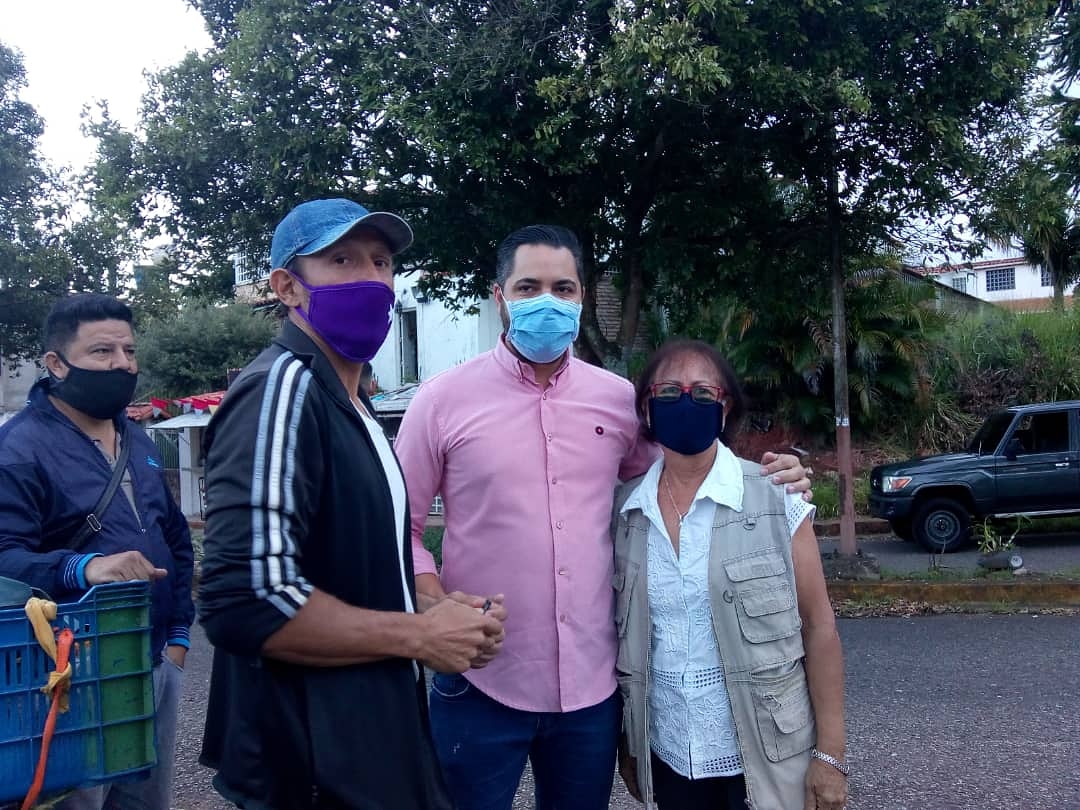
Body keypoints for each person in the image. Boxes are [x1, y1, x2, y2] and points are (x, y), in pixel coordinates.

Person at [393, 224, 811, 810]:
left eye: (563, 288)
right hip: (480, 678)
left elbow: (677, 479)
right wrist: (435, 604)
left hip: (591, 688)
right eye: (529, 287)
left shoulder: (616, 400)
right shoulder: (440, 401)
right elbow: (402, 529)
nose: (547, 301)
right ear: (499, 296)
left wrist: (769, 475)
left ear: (582, 297)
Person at [197, 198, 505, 810]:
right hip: (308, 760)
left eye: (381, 261)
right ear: (287, 287)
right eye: (342, 260)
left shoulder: (354, 402)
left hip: (365, 742)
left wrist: (432, 607)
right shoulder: (282, 389)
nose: (371, 278)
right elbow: (243, 600)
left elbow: (344, 562)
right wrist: (419, 635)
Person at [613, 339, 847, 810]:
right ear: (647, 408)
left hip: (767, 757)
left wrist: (831, 755)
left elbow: (819, 626)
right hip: (669, 754)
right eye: (669, 391)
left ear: (724, 411)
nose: (686, 402)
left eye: (703, 393)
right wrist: (628, 745)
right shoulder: (626, 511)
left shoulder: (776, 498)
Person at [0, 293, 194, 810]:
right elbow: (4, 557)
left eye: (129, 351)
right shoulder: (18, 449)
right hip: (68, 676)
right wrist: (82, 567)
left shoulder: (138, 440)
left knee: (145, 802)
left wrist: (179, 635)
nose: (122, 365)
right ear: (57, 364)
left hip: (154, 662)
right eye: (103, 352)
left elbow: (174, 537)